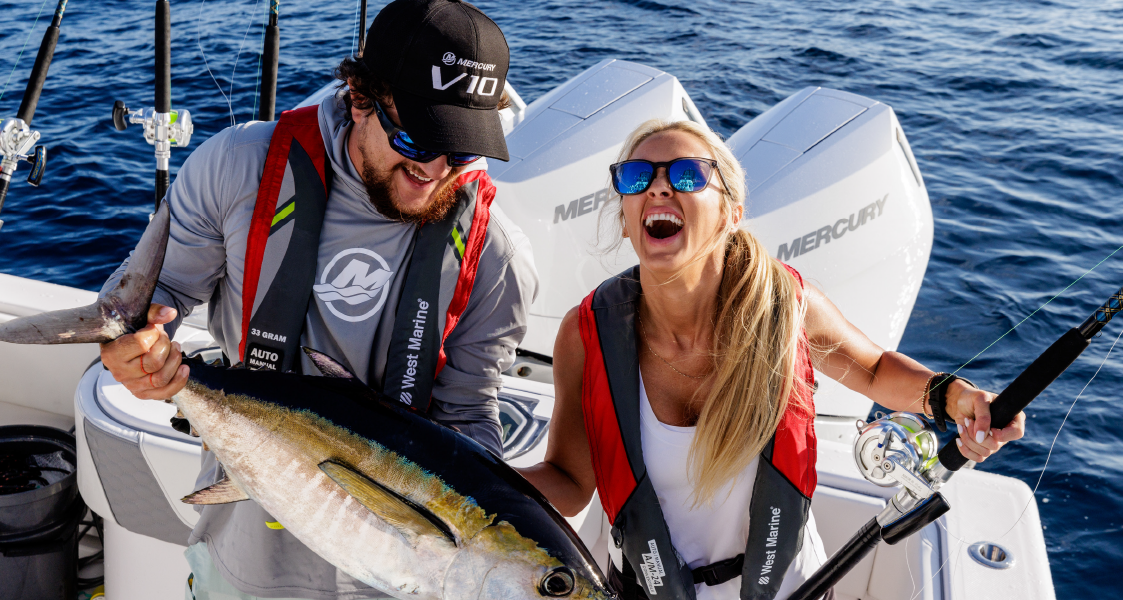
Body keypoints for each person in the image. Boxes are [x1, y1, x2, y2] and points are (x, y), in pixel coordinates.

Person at [96, 1, 537, 598]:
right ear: (360, 98)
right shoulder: (238, 167)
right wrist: (136, 347)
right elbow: (157, 299)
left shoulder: (497, 259)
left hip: (402, 582)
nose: (434, 170)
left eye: (460, 151)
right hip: (240, 561)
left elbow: (468, 420)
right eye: (414, 137)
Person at [518, 119, 1026, 600]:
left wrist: (956, 399)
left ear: (730, 213)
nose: (658, 187)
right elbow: (568, 481)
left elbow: (873, 371)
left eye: (687, 174)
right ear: (627, 218)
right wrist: (449, 480)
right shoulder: (584, 336)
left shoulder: (784, 304)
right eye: (635, 177)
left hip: (790, 587)